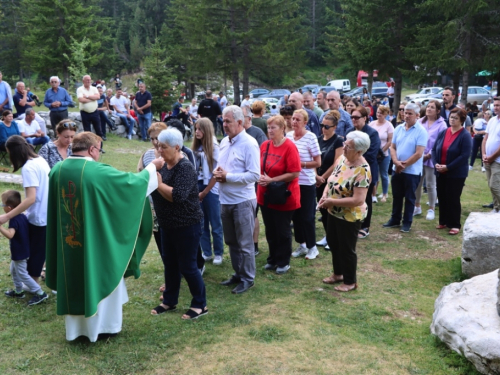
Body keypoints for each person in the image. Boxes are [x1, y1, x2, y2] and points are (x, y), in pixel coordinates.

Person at [45, 132, 163, 341]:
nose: (99, 155)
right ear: (92, 149)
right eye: (99, 150)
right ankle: (105, 328)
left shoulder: (57, 170)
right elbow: (131, 185)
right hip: (94, 243)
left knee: (72, 273)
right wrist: (152, 167)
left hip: (67, 241)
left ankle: (75, 331)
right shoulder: (95, 171)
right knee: (99, 271)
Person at [149, 128, 207, 319]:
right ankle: (169, 300)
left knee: (188, 266)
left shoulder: (185, 167)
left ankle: (200, 304)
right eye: (158, 146)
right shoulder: (164, 166)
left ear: (176, 147)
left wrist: (158, 184)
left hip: (187, 225)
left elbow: (177, 196)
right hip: (168, 225)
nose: (159, 150)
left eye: (163, 147)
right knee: (170, 264)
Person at [318, 131, 371, 292]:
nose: (344, 147)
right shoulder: (342, 159)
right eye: (345, 144)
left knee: (346, 249)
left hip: (349, 216)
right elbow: (332, 178)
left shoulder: (362, 170)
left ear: (359, 151)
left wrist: (331, 201)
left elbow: (358, 200)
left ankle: (350, 281)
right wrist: (325, 194)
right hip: (333, 211)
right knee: (333, 243)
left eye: (348, 146)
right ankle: (338, 273)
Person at [215, 105, 260, 294]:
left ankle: (248, 279)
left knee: (245, 243)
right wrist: (217, 173)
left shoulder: (249, 143)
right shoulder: (225, 141)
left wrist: (228, 177)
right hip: (225, 200)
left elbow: (254, 175)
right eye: (223, 121)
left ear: (240, 122)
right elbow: (222, 166)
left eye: (228, 121)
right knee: (231, 242)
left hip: (242, 200)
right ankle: (238, 273)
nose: (224, 125)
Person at [0, 136, 50, 291]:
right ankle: (32, 280)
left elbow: (30, 199)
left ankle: (34, 284)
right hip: (46, 213)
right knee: (38, 250)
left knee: (35, 252)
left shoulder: (28, 167)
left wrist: (7, 216)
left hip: (38, 216)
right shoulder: (40, 160)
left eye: (9, 153)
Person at [257, 115, 301, 274]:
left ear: (283, 128)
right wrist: (261, 178)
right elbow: (260, 166)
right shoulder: (265, 145)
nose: (270, 130)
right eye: (268, 127)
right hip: (266, 195)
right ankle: (272, 258)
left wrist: (271, 180)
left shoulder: (289, 147)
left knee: (282, 230)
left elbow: (295, 173)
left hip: (284, 196)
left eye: (273, 127)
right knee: (270, 229)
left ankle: (283, 261)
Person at [383, 103, 428, 233]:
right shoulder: (399, 128)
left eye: (410, 113)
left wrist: (403, 165)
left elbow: (419, 153)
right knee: (397, 195)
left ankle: (407, 222)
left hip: (412, 171)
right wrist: (396, 162)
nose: (406, 115)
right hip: (397, 168)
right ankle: (395, 219)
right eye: (405, 112)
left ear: (417, 115)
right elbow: (393, 147)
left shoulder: (421, 131)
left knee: (409, 197)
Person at [1, 190, 48, 305]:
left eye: (3, 205)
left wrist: (1, 227)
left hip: (20, 252)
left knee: (22, 274)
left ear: (9, 208)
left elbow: (10, 235)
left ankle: (40, 293)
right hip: (23, 250)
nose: (2, 207)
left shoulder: (13, 220)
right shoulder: (22, 216)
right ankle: (19, 291)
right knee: (13, 270)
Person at [286, 109, 322, 260]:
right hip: (291, 182)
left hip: (306, 183)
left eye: (297, 120)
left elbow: (318, 162)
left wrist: (300, 165)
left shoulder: (311, 137)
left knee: (307, 216)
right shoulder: (288, 136)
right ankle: (302, 244)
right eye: (293, 119)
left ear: (305, 123)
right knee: (296, 216)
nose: (294, 122)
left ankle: (312, 247)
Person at [432, 108, 472, 234]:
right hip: (440, 170)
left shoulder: (464, 135)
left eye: (455, 118)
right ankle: (443, 221)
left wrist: (448, 167)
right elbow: (434, 149)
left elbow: (464, 156)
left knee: (453, 198)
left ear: (462, 120)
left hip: (456, 173)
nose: (452, 120)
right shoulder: (444, 132)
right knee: (442, 196)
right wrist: (436, 163)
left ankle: (455, 224)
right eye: (451, 117)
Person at [192, 118, 224, 265]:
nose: (197, 132)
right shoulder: (195, 147)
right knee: (201, 222)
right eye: (195, 129)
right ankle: (207, 252)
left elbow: (215, 174)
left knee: (215, 222)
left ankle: (218, 252)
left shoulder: (215, 148)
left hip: (211, 188)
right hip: (197, 186)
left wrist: (205, 192)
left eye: (200, 129)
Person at [347, 106, 381, 239]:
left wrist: (354, 158)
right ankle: (353, 222)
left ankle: (365, 226)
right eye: (352, 117)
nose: (354, 120)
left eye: (357, 117)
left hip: (367, 170)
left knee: (365, 199)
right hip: (351, 170)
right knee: (352, 196)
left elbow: (372, 153)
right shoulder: (350, 131)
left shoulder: (372, 133)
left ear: (365, 118)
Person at [314, 111, 344, 250]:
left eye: (327, 126)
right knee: (323, 210)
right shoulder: (319, 139)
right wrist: (316, 176)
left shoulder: (338, 141)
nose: (323, 129)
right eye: (322, 125)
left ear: (334, 127)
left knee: (330, 210)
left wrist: (323, 177)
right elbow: (314, 159)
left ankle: (333, 238)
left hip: (330, 180)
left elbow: (336, 163)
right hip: (318, 179)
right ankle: (328, 236)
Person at [413, 100, 447, 220]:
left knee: (431, 184)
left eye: (432, 107)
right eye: (428, 107)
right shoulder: (420, 121)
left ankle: (431, 208)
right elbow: (415, 137)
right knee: (417, 183)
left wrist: (428, 155)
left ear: (438, 111)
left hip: (432, 158)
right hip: (418, 157)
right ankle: (417, 206)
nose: (428, 109)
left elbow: (440, 142)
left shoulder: (442, 124)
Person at [242, 108, 266, 256]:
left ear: (249, 118)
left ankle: (254, 244)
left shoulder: (257, 133)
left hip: (254, 180)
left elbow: (263, 156)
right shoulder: (235, 134)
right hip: (240, 182)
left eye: (241, 116)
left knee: (253, 213)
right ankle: (244, 244)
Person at [369, 105, 393, 203]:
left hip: (385, 154)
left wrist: (381, 152)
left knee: (384, 174)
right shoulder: (372, 124)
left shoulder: (389, 125)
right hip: (373, 153)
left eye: (381, 113)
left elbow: (389, 141)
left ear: (386, 115)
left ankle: (384, 194)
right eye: (378, 112)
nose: (379, 114)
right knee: (373, 174)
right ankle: (372, 193)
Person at [482, 97, 500, 213]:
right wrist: (483, 154)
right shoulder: (492, 120)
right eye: (495, 105)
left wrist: (492, 157)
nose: (495, 107)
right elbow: (485, 139)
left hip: (497, 160)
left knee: (495, 184)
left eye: (498, 105)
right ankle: (496, 207)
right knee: (490, 184)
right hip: (487, 158)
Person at [77, 75, 103, 140]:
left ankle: (100, 147)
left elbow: (98, 97)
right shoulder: (80, 89)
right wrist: (92, 99)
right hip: (85, 113)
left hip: (95, 112)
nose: (88, 81)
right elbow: (81, 100)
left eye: (89, 79)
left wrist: (87, 96)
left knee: (98, 130)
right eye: (87, 80)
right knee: (87, 132)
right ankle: (88, 147)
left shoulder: (94, 89)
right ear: (83, 81)